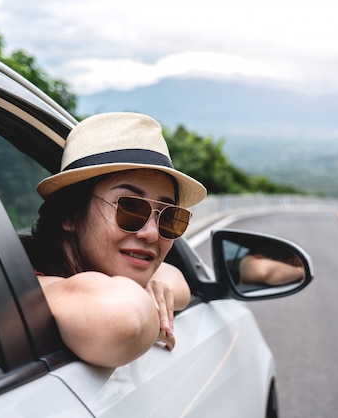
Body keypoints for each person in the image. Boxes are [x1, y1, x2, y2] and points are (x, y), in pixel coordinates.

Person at [28, 112, 207, 368]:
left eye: (169, 218)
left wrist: (151, 286)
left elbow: (178, 282)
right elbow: (123, 318)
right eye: (130, 209)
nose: (151, 234)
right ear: (71, 213)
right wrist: (146, 305)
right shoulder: (32, 289)